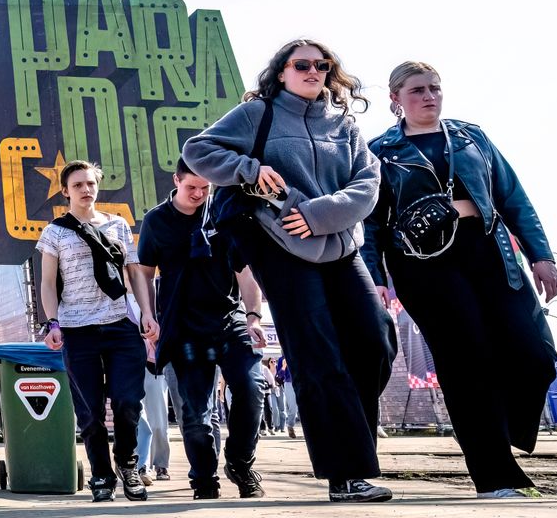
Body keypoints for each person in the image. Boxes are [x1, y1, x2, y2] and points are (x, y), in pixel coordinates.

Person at [183, 39, 397, 503]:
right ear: (281, 72)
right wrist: (247, 168)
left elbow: (369, 182)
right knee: (317, 352)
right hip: (277, 241)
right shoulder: (256, 113)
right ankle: (347, 473)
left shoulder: (344, 123)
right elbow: (198, 150)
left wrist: (321, 215)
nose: (313, 71)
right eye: (302, 64)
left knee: (375, 339)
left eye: (323, 65)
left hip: (337, 242)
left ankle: (351, 443)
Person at [361, 61, 557, 499]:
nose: (428, 96)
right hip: (425, 266)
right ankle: (493, 474)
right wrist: (375, 278)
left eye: (434, 87)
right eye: (417, 90)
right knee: (466, 362)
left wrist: (540, 255)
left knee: (536, 353)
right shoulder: (379, 151)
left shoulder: (472, 137)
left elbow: (513, 197)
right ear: (396, 98)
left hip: (489, 253)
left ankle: (499, 430)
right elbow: (371, 225)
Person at [138, 161, 269, 500]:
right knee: (196, 415)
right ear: (176, 181)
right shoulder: (157, 221)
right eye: (190, 187)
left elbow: (245, 272)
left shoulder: (224, 215)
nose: (198, 194)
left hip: (229, 320)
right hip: (183, 328)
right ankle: (204, 480)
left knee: (252, 386)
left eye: (205, 188)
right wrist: (148, 316)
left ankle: (240, 463)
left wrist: (254, 315)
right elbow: (144, 273)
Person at [37, 160, 159, 502]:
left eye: (90, 183)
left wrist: (147, 313)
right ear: (65, 191)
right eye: (77, 185)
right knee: (90, 412)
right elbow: (47, 283)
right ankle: (101, 476)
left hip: (121, 325)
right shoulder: (55, 232)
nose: (86, 190)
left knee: (127, 401)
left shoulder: (118, 225)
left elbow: (134, 273)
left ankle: (128, 464)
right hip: (77, 329)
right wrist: (52, 321)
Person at [133, 338, 171, 485]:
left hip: (155, 364)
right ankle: (140, 464)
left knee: (158, 422)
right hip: (130, 360)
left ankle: (161, 463)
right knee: (136, 417)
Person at [275, 355, 298, 437]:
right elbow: (279, 376)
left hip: (301, 382)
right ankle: (290, 426)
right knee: (293, 407)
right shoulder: (282, 359)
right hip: (289, 384)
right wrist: (284, 366)